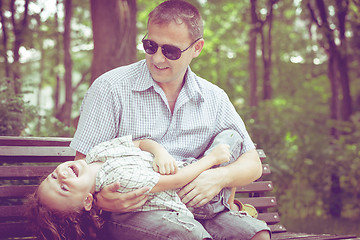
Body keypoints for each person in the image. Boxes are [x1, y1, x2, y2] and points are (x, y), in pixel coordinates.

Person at [70, 0, 271, 239]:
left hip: (199, 208)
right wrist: (101, 200)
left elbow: (252, 163)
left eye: (171, 51)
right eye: (150, 45)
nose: (157, 58)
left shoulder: (214, 98)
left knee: (256, 234)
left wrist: (219, 178)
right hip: (132, 212)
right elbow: (83, 166)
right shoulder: (110, 88)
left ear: (197, 48)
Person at [27, 135, 231, 240]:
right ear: (88, 200)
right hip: (202, 199)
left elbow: (141, 143)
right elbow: (177, 181)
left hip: (196, 174)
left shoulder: (97, 152)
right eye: (64, 188)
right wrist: (212, 159)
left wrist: (159, 152)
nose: (62, 176)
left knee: (230, 138)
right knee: (230, 140)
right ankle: (229, 202)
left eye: (53, 177)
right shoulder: (119, 182)